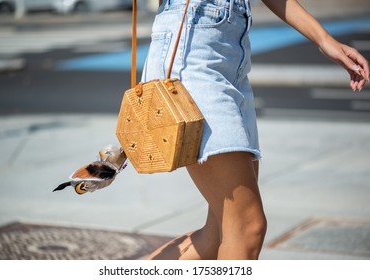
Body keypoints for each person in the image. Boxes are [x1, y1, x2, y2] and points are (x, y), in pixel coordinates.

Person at [141, 0, 369, 260]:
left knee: (219, 235)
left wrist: (323, 39)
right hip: (191, 52)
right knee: (247, 228)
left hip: (232, 61)